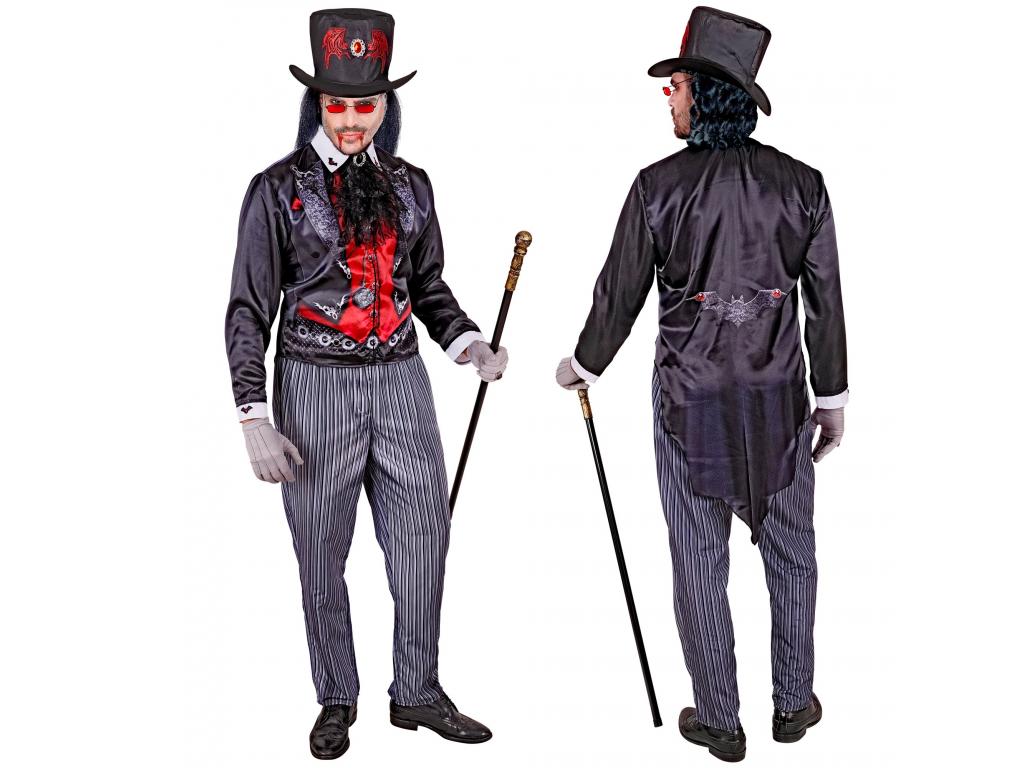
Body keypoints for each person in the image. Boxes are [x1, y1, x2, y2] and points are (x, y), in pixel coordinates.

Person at [556, 6, 848, 762]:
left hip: (690, 405)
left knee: (697, 561)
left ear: (707, 93)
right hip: (780, 400)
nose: (669, 98)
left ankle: (720, 718)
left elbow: (617, 293)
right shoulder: (802, 185)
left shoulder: (658, 186)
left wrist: (584, 363)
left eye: (677, 85)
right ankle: (793, 704)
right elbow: (825, 302)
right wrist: (832, 399)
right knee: (792, 555)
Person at [225, 8, 503, 759]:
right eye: (338, 105)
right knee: (321, 550)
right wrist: (253, 414)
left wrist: (469, 342)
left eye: (366, 105)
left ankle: (417, 691)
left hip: (404, 382)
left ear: (386, 105)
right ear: (317, 103)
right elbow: (249, 309)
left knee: (425, 538)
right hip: (314, 385)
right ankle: (336, 696)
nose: (351, 121)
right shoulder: (275, 189)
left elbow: (428, 286)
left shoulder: (412, 185)